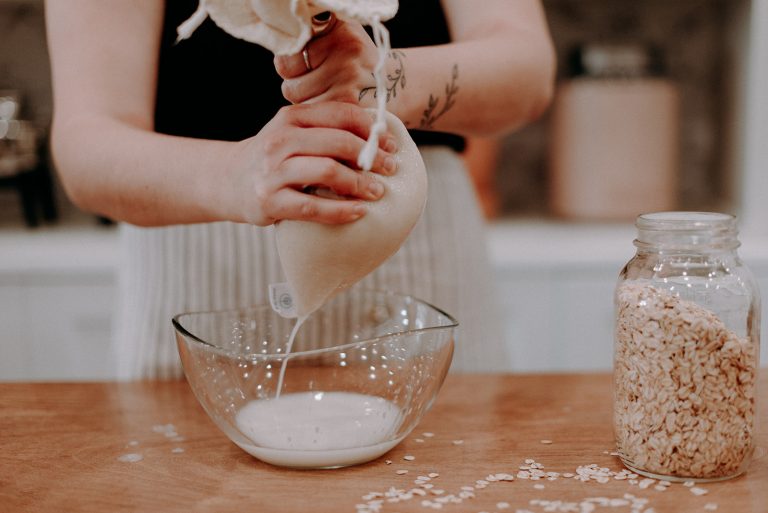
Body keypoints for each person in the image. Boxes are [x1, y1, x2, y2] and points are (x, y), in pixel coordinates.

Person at [45, 0, 555, 379]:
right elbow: (85, 144)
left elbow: (528, 71)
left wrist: (383, 78)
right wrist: (234, 175)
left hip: (422, 271)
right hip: (199, 274)